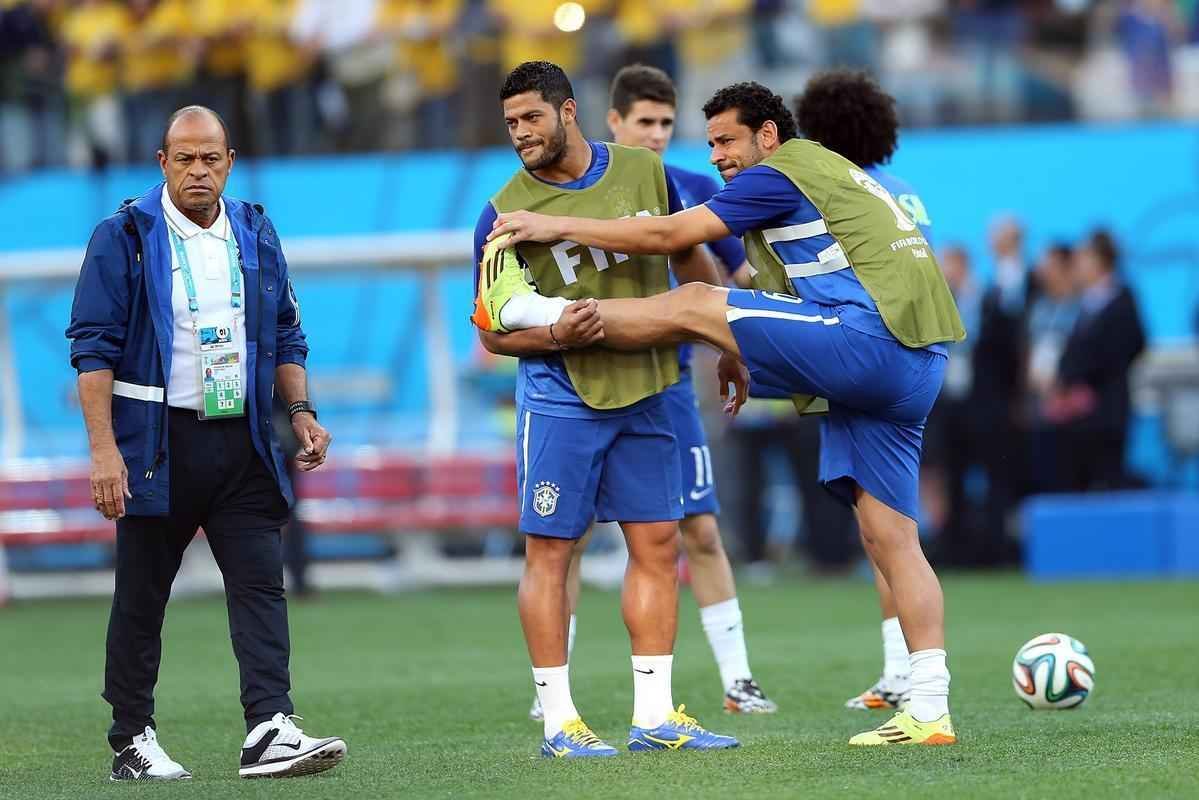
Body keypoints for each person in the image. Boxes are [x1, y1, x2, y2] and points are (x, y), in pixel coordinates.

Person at [480, 80, 966, 747]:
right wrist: (733, 346)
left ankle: (532, 309)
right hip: (915, 362)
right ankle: (929, 707)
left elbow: (676, 236)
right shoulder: (838, 175)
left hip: (866, 340)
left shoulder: (782, 170)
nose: (715, 156)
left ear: (767, 135)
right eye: (706, 143)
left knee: (695, 302)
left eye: (725, 140)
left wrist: (554, 228)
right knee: (890, 539)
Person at [65, 105, 346, 781]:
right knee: (142, 597)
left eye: (211, 158)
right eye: (184, 158)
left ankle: (268, 726)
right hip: (157, 448)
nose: (199, 170)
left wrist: (300, 409)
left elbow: (284, 333)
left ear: (229, 162)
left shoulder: (253, 230)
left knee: (259, 585)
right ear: (162, 162)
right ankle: (130, 737)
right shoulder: (125, 236)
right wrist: (105, 452)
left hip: (242, 441)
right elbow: (92, 350)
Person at [471, 61, 739, 758]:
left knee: (657, 545)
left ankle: (654, 716)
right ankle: (559, 724)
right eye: (510, 124)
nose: (521, 133)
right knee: (551, 552)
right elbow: (492, 330)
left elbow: (688, 262)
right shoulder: (501, 212)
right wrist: (556, 332)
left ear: (568, 112)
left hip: (650, 387)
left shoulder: (644, 174)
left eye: (531, 117)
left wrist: (723, 338)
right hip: (563, 399)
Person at [523, 63, 776, 724]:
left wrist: (742, 334)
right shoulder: (528, 199)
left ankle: (733, 680)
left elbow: (721, 268)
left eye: (667, 123)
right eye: (646, 123)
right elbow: (495, 312)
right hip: (577, 385)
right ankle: (551, 690)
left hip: (664, 385)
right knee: (562, 541)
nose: (658, 135)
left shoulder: (686, 186)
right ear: (612, 122)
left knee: (692, 530)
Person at [793, 68, 946, 711]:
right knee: (880, 529)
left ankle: (914, 673)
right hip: (912, 356)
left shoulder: (839, 192)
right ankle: (898, 670)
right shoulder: (904, 192)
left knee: (888, 532)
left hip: (862, 357)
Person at [1048, 230, 1146, 491]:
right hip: (1076, 415)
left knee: (1108, 479)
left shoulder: (1122, 299)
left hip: (1108, 409)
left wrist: (1090, 384)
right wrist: (1066, 384)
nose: (1077, 265)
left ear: (1100, 261)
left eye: (1083, 258)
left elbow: (1131, 345)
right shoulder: (1084, 304)